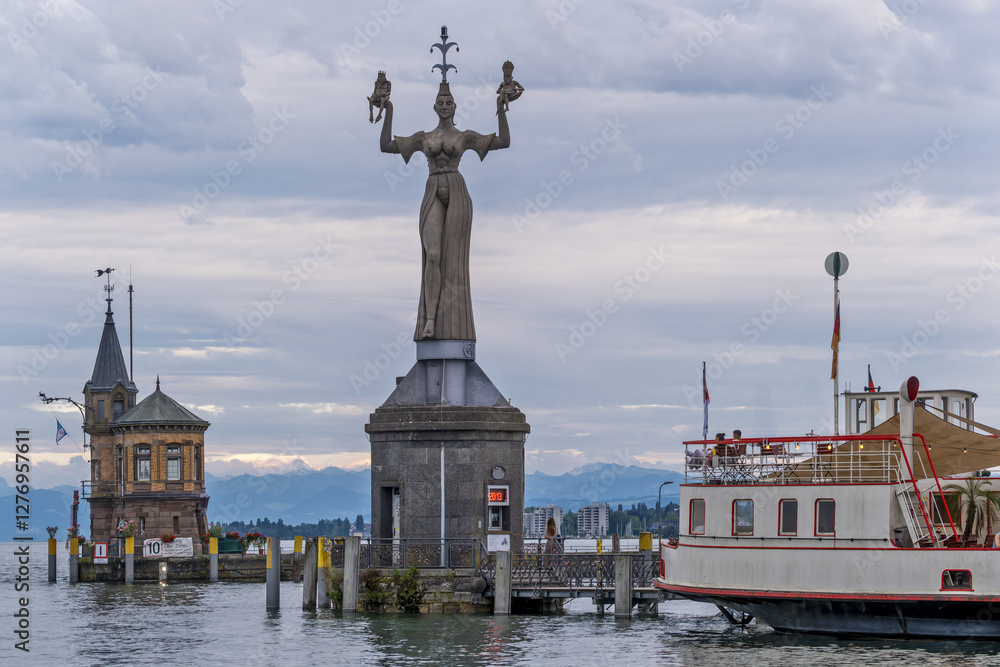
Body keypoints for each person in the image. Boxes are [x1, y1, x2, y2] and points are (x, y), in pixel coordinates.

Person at [380, 80, 511, 341]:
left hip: (456, 189)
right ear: (434, 107)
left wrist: (501, 109)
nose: (444, 106)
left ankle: (452, 320)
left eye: (448, 103)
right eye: (440, 103)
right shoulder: (423, 138)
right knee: (434, 255)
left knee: (454, 259)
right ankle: (430, 320)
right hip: (433, 189)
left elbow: (504, 141)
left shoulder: (465, 137)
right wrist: (388, 110)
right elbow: (385, 146)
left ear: (455, 106)